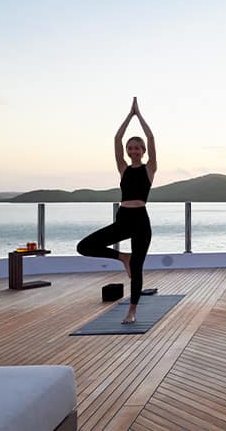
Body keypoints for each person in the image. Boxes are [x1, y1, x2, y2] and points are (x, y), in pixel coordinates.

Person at [77, 97, 156, 324]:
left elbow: (151, 138)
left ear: (143, 151)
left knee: (138, 268)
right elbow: (116, 138)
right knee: (84, 246)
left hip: (141, 220)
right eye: (130, 148)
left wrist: (139, 115)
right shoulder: (123, 169)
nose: (133, 151)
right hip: (123, 218)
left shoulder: (150, 169)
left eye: (137, 148)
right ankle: (122, 256)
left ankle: (132, 310)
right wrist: (128, 116)